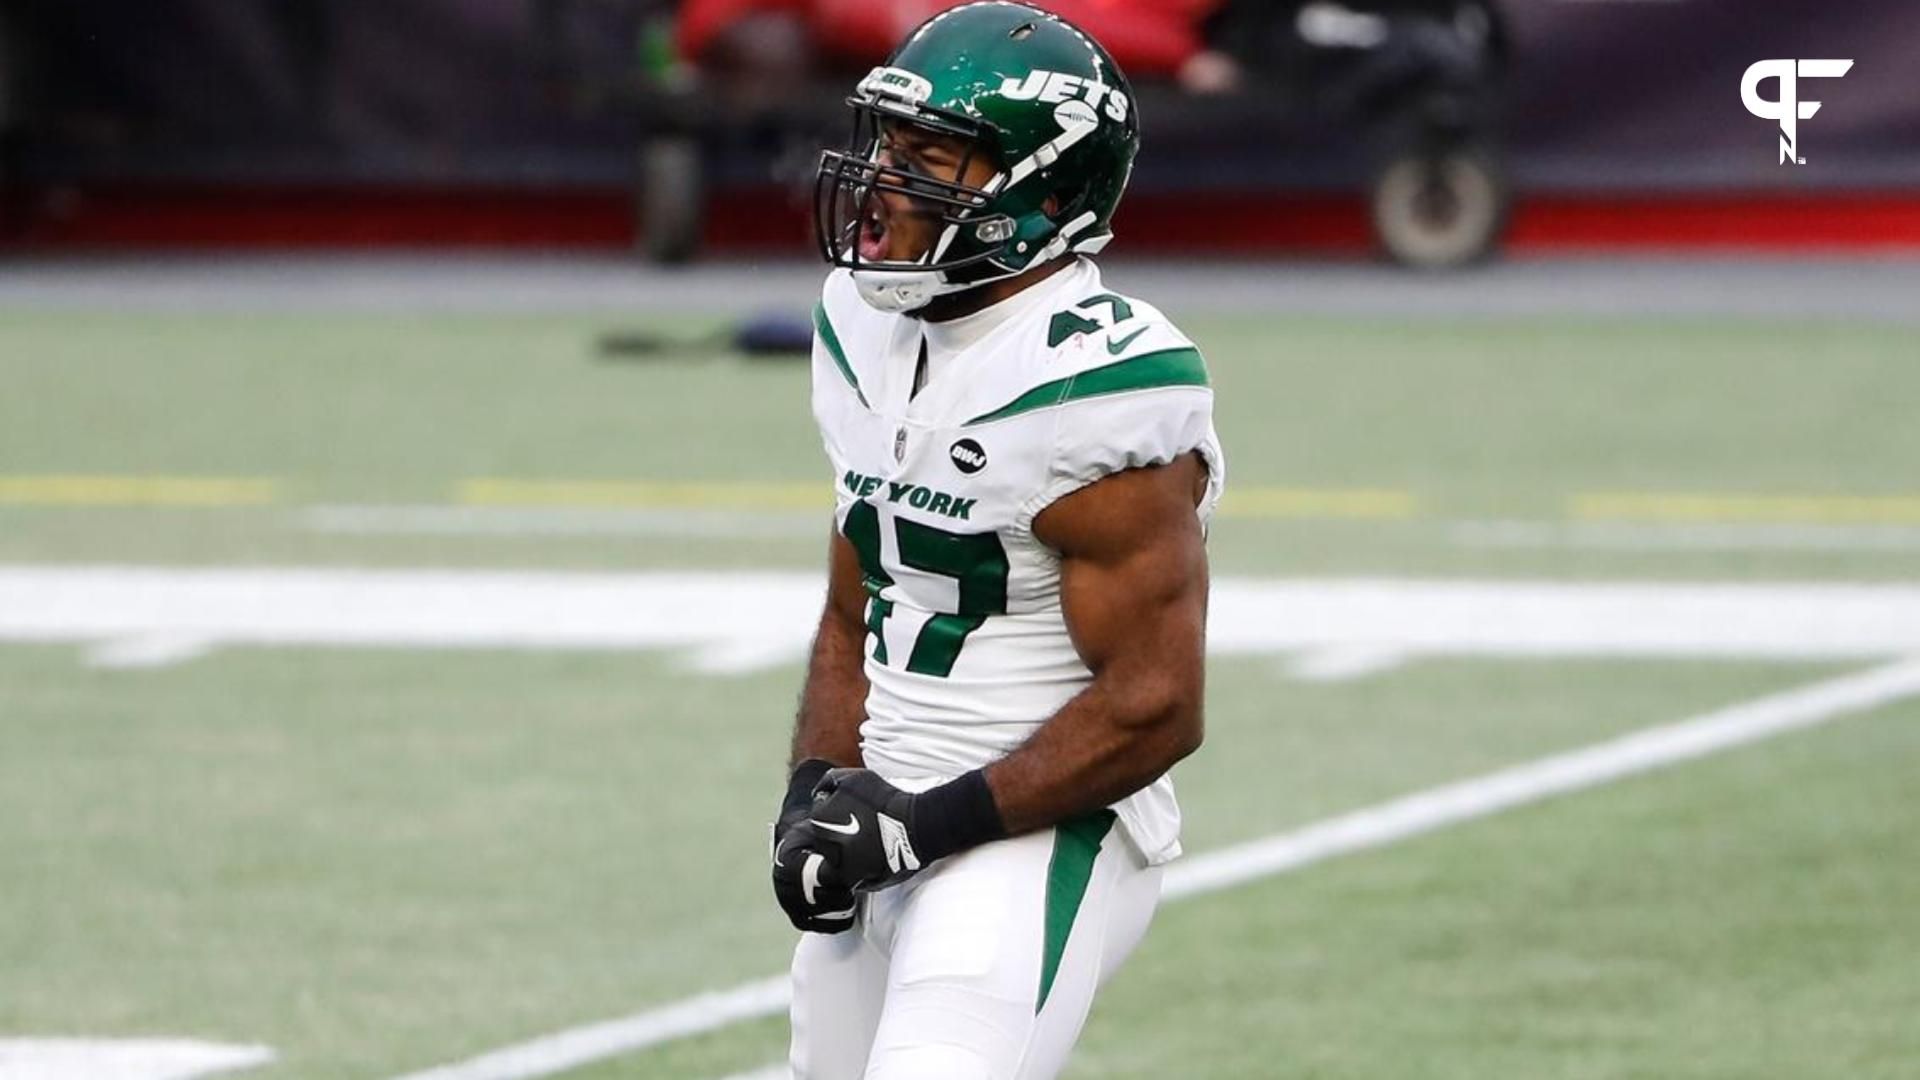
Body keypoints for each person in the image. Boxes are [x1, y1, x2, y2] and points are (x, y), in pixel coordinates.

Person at [768, 4, 1226, 1077]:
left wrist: (922, 827)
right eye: (888, 146)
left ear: (1044, 200)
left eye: (930, 160)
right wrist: (814, 792)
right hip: (885, 810)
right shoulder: (862, 322)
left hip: (1036, 835)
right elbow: (856, 603)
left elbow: (1156, 701)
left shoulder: (1097, 382)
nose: (885, 182)